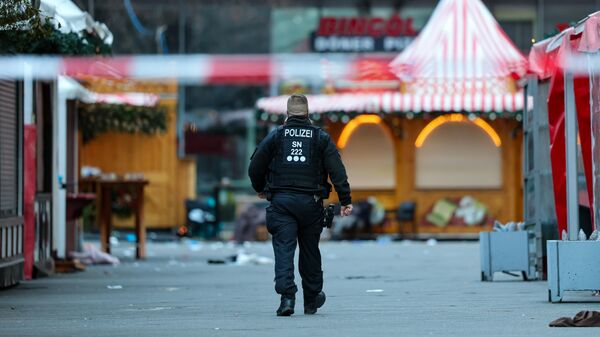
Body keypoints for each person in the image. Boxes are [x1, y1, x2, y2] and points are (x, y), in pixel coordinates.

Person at [248, 94, 353, 317]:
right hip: (311, 204)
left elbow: (255, 165)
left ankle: (287, 298)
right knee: (310, 250)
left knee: (284, 250)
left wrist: (261, 187)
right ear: (307, 115)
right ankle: (312, 298)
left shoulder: (276, 136)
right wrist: (345, 200)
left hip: (281, 203)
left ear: (287, 114)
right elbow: (337, 170)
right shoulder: (320, 138)